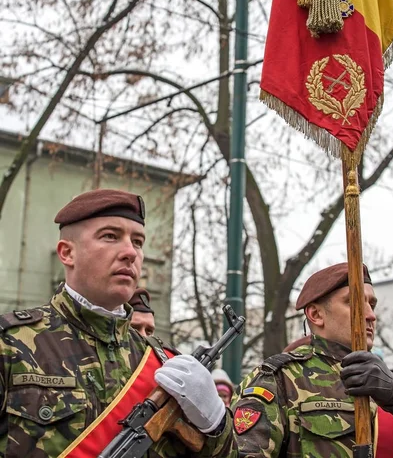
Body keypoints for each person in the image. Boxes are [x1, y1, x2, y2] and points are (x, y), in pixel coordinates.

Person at [0, 189, 236, 458]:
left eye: (137, 242)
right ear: (67, 253)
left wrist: (216, 425)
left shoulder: (164, 363)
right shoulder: (10, 344)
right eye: (110, 236)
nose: (130, 253)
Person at [231, 262, 393, 457]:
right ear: (316, 314)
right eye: (354, 302)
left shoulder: (389, 385)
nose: (370, 315)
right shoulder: (279, 380)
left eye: (371, 304)